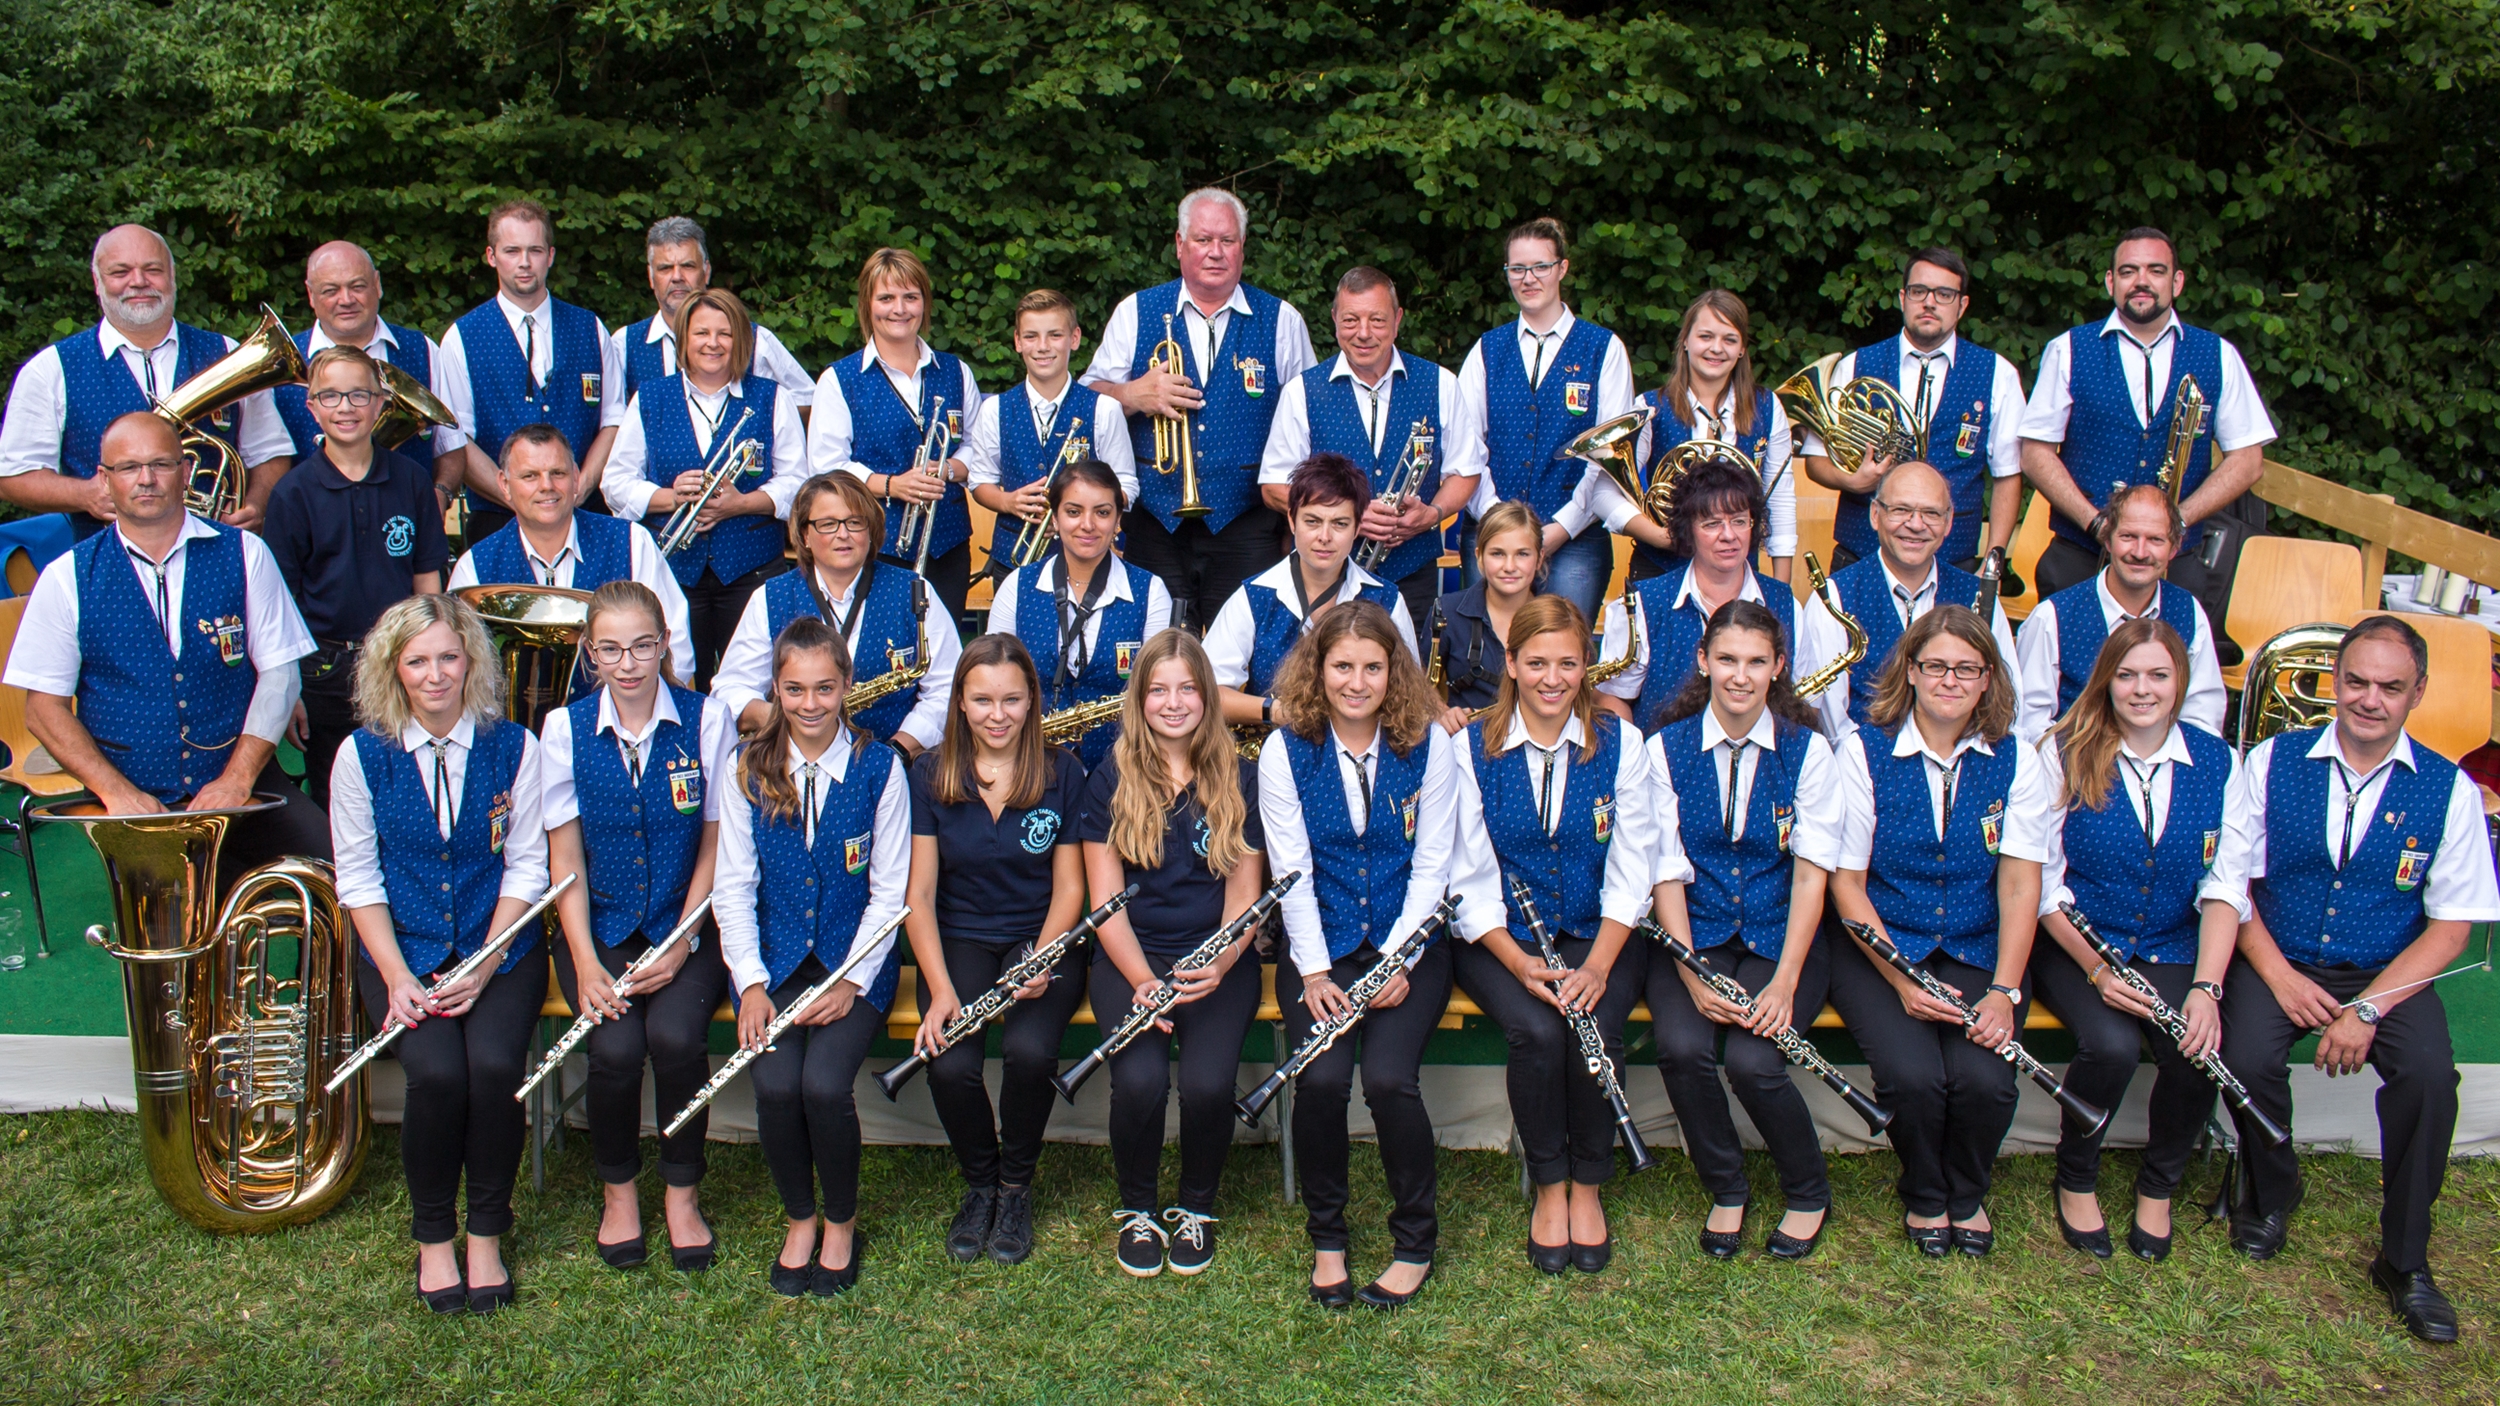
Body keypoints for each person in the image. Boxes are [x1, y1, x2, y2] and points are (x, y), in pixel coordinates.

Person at [2201, 615, 2500, 1343]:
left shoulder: (2451, 790)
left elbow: (2452, 926)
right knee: (2244, 1059)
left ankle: (2404, 1259)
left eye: (2390, 688)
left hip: (2385, 970)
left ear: (2417, 692)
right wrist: (2276, 976)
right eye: (2358, 682)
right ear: (2337, 682)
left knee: (2431, 1077)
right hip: (2281, 952)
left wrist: (2365, 1010)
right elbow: (2232, 881)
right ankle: (2270, 1192)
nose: (2370, 700)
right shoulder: (2271, 760)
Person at [328, 593, 548, 1313]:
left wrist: (487, 961)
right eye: (417, 660)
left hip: (499, 949)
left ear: (471, 661)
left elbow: (526, 868)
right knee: (436, 1077)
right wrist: (395, 978)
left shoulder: (515, 746)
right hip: (405, 953)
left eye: (448, 657)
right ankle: (433, 1238)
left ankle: (486, 1231)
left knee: (491, 1070)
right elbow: (359, 879)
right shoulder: (360, 757)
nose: (434, 675)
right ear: (393, 668)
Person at [1815, 606, 2053, 1258]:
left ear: (1987, 681)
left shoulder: (2017, 761)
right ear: (1911, 672)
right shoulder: (1861, 751)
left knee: (1986, 1079)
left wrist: (2004, 990)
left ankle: (1966, 1192)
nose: (1950, 680)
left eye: (1967, 669)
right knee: (1912, 1076)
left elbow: (2019, 884)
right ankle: (1925, 1192)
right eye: (1936, 666)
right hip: (1879, 946)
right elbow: (1847, 885)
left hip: (1979, 944)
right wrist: (1900, 980)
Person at [3, 411, 329, 884]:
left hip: (245, 782)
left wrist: (236, 780)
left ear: (184, 471)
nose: (146, 479)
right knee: (169, 934)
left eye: (160, 464)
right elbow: (43, 710)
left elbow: (280, 675)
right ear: (105, 478)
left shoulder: (246, 552)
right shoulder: (66, 576)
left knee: (339, 880)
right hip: (135, 796)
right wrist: (116, 793)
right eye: (129, 467)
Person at [1447, 596, 1664, 1274]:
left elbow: (1635, 866)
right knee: (1539, 1032)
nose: (1551, 677)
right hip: (1500, 937)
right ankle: (1548, 1184)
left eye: (1567, 663)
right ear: (1510, 662)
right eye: (1535, 662)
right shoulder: (1468, 745)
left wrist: (1598, 965)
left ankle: (1589, 1185)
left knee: (1594, 1023)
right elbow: (1466, 874)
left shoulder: (1621, 741)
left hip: (1600, 931)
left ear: (1585, 666)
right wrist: (1517, 963)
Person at [1257, 601, 1458, 1309]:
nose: (1356, 680)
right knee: (1318, 1081)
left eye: (1372, 667)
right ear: (1318, 670)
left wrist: (1399, 960)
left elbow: (1434, 864)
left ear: (1393, 671)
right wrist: (1314, 970)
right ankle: (1329, 1239)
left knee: (1389, 1079)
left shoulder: (1431, 742)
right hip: (1323, 944)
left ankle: (1414, 1240)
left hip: (1409, 943)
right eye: (1341, 666)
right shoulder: (1286, 749)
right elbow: (1291, 871)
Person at [539, 582, 736, 1274]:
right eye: (613, 649)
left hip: (691, 920)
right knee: (617, 1050)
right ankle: (619, 1193)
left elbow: (718, 841)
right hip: (602, 927)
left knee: (676, 1036)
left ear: (665, 646)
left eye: (643, 646)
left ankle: (681, 1193)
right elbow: (564, 858)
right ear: (591, 653)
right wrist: (587, 962)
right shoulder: (562, 730)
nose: (629, 664)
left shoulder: (707, 719)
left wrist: (684, 939)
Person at [714, 614, 911, 1297]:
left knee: (823, 1087)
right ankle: (799, 1217)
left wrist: (853, 980)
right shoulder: (746, 767)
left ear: (847, 685)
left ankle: (840, 1221)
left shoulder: (881, 767)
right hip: (774, 965)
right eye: (794, 689)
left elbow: (891, 893)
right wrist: (750, 984)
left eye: (825, 688)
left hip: (854, 962)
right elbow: (733, 886)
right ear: (775, 687)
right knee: (773, 1087)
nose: (809, 704)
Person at [2030, 619, 2239, 1262]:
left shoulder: (2219, 760)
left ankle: (2160, 1186)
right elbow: (2040, 883)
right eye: (2126, 675)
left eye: (2158, 675)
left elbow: (2226, 884)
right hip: (2076, 943)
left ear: (2181, 681)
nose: (2142, 689)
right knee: (2112, 1044)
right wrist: (2098, 970)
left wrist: (2206, 989)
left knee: (2195, 1046)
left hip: (2173, 942)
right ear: (2106, 680)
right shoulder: (2061, 750)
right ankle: (2077, 1174)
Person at [1642, 600, 1841, 1259]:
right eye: (1727, 659)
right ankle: (1726, 1186)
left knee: (1757, 1061)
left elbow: (1812, 876)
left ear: (1778, 667)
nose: (1740, 675)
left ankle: (1807, 1189)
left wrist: (1784, 983)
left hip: (1780, 937)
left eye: (1757, 662)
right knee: (1680, 1045)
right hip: (1691, 937)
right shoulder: (1663, 749)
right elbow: (1665, 868)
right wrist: (1693, 972)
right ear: (1703, 661)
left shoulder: (1808, 753)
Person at [1077, 630, 1267, 1278]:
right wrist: (1141, 979)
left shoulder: (1240, 774)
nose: (1173, 701)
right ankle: (1137, 1208)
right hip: (1131, 955)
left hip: (1219, 957)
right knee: (1140, 1081)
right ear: (1140, 699)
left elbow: (1245, 894)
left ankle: (1195, 1207)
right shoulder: (1111, 774)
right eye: (1159, 689)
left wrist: (1218, 962)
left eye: (1187, 688)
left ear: (1208, 698)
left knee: (1210, 1085)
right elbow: (1104, 901)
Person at [901, 635, 1091, 1266]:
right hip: (959, 937)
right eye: (982, 699)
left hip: (1043, 936)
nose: (998, 714)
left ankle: (1016, 1187)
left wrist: (1040, 957)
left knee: (1030, 1050)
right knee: (949, 1060)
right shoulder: (929, 774)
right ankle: (980, 1184)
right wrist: (942, 988)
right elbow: (920, 896)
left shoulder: (1062, 771)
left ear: (1032, 700)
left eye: (1012, 699)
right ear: (959, 702)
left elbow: (1071, 887)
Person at [1082, 188, 1320, 631]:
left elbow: (1309, 423)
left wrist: (1296, 517)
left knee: (1251, 652)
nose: (1215, 252)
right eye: (1203, 239)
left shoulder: (1282, 319)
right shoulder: (1135, 311)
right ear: (1179, 244)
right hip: (1155, 522)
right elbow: (1086, 400)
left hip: (1248, 522)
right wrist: (1132, 394)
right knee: (1161, 652)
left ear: (1242, 249)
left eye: (1227, 241)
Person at [2017, 227, 2277, 619]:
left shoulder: (2217, 354)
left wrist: (2177, 521)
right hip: (2080, 557)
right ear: (2110, 282)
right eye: (2128, 271)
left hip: (2176, 563)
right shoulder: (2069, 348)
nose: (2141, 281)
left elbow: (2248, 460)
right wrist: (2095, 523)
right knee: (2069, 675)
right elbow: (2035, 453)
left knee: (2167, 676)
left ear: (2177, 282)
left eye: (2156, 270)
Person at [0, 224, 294, 536]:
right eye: (120, 272)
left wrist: (258, 504)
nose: (138, 282)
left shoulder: (226, 353)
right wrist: (84, 494)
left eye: (152, 269)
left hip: (215, 554)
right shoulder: (51, 369)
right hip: (106, 562)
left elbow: (269, 452)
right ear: (97, 283)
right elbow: (12, 477)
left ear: (173, 278)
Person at [262, 346, 451, 808]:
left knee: (407, 788)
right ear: (311, 407)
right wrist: (290, 692)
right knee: (337, 795)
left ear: (382, 402)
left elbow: (428, 582)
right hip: (326, 674)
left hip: (401, 665)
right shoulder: (292, 493)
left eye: (359, 394)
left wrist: (432, 661)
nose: (345, 407)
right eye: (330, 396)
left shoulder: (410, 480)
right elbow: (279, 605)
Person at [601, 287, 807, 688]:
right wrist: (670, 497)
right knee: (674, 681)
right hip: (673, 570)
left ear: (741, 340)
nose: (713, 343)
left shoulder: (771, 397)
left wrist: (741, 503)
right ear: (683, 338)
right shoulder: (651, 398)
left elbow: (798, 481)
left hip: (752, 570)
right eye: (701, 333)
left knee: (761, 683)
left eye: (725, 333)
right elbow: (615, 483)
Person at [1257, 266, 1484, 629]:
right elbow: (1272, 488)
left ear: (1397, 320)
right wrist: (1349, 517)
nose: (1363, 333)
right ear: (1334, 320)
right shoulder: (1302, 391)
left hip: (1412, 572)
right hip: (1327, 573)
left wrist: (1433, 512)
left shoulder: (1441, 383)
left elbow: (1465, 470)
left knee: (1408, 679)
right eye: (1350, 320)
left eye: (1377, 320)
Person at [1454, 216, 1636, 623]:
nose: (1528, 278)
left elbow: (1609, 456)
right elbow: (1466, 448)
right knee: (1484, 658)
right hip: (1491, 533)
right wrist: (1497, 521)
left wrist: (1560, 529)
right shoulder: (1486, 350)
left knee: (1563, 656)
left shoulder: (1603, 350)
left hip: (1573, 538)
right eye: (1517, 269)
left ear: (1562, 268)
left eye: (1540, 266)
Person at [1800, 248, 2025, 572]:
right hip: (1860, 555)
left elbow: (2007, 475)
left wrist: (1993, 562)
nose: (1929, 302)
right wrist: (1852, 480)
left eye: (1944, 294)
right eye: (1919, 291)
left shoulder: (1997, 374)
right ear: (1903, 298)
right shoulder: (1854, 366)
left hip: (1953, 559)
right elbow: (1816, 460)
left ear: (1961, 305)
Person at [711, 472, 959, 755]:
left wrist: (899, 749)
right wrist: (782, 720)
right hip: (795, 764)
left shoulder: (915, 590)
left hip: (897, 761)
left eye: (855, 522)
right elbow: (730, 689)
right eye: (828, 524)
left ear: (871, 530)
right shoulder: (770, 598)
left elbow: (946, 688)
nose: (843, 534)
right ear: (804, 535)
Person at [446, 425, 694, 707]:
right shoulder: (475, 567)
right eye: (530, 476)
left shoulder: (631, 542)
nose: (546, 486)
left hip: (617, 730)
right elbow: (461, 666)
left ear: (576, 478)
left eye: (558, 473)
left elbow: (675, 646)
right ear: (504, 484)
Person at [807, 247, 984, 624]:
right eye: (886, 298)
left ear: (925, 303)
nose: (899, 309)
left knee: (945, 647)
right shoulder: (840, 380)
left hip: (947, 545)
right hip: (876, 543)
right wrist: (892, 485)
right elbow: (827, 466)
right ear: (867, 304)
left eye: (910, 297)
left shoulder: (956, 371)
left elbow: (977, 448)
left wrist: (949, 470)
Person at [436, 199, 627, 540]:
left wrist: (579, 487)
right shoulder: (461, 338)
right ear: (492, 256)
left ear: (550, 255)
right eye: (512, 251)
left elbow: (613, 419)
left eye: (535, 251)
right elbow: (456, 438)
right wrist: (517, 497)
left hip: (585, 516)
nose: (524, 263)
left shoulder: (590, 328)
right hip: (498, 522)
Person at [1580, 289, 1796, 586]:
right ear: (1685, 341)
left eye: (1729, 339)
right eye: (1705, 337)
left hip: (1740, 575)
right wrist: (1662, 537)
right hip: (1660, 569)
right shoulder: (1650, 407)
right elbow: (1603, 494)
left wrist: (1780, 589)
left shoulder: (1769, 409)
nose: (1716, 348)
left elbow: (1780, 499)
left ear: (1743, 348)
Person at [1795, 460, 2017, 739]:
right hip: (1863, 771)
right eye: (1901, 510)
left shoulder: (1980, 598)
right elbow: (1832, 724)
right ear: (1875, 515)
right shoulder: (1834, 597)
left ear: (1948, 522)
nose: (1915, 525)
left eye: (1931, 513)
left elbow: (2005, 701)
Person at [984, 459, 1173, 768]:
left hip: (1125, 770)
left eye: (1102, 512)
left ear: (1117, 521)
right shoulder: (1016, 587)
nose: (1088, 525)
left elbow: (1161, 690)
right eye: (1073, 512)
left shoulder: (1151, 591)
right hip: (1030, 765)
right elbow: (995, 682)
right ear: (1054, 520)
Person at [1209, 454, 1417, 732]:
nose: (1325, 536)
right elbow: (1207, 692)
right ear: (1292, 521)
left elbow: (1408, 695)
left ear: (1357, 528)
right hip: (1273, 749)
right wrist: (1279, 711)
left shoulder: (1387, 600)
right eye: (1312, 521)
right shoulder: (1254, 596)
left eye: (1340, 524)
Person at [1599, 454, 1794, 736]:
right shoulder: (1641, 605)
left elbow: (1807, 706)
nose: (1729, 535)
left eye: (1739, 521)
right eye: (1712, 524)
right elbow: (1611, 698)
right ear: (1688, 530)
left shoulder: (1787, 604)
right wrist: (1637, 763)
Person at [2011, 484, 2223, 743]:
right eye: (2128, 537)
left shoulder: (2189, 611)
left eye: (2155, 540)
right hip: (2072, 773)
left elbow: (2202, 716)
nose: (2140, 552)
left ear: (2175, 547)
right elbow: (2029, 724)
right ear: (2108, 539)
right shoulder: (2052, 616)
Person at [271, 240, 467, 505]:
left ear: (377, 284)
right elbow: (265, 458)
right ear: (310, 294)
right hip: (311, 535)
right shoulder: (282, 366)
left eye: (357, 286)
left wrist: (440, 493)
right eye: (331, 290)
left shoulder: (423, 351)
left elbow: (450, 446)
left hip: (404, 527)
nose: (346, 299)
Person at [962, 288, 1138, 579]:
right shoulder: (994, 410)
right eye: (1031, 336)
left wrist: (1082, 512)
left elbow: (1127, 484)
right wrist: (1008, 501)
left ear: (1075, 338)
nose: (1043, 346)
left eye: (1055, 335)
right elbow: (980, 482)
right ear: (1018, 342)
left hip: (1089, 557)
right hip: (1013, 562)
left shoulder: (1104, 409)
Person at [611, 216, 818, 410]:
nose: (677, 277)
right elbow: (612, 420)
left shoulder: (753, 339)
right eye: (665, 268)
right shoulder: (625, 345)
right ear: (650, 276)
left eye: (687, 266)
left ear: (706, 271)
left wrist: (761, 420)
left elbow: (808, 400)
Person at [1427, 499, 1545, 729]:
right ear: (1479, 557)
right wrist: (1442, 712)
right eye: (1497, 554)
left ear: (1539, 558)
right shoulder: (1447, 610)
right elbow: (1419, 681)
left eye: (1522, 554)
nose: (1509, 566)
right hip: (1466, 741)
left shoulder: (1560, 618)